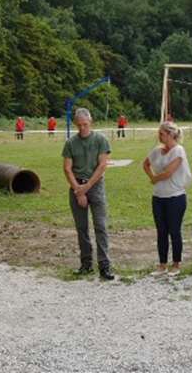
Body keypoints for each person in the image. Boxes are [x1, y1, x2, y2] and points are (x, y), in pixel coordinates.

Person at [62, 107, 113, 280]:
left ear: (90, 122)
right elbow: (67, 169)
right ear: (76, 124)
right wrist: (78, 190)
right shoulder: (70, 143)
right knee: (81, 228)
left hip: (96, 186)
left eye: (85, 124)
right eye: (79, 125)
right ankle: (86, 264)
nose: (83, 128)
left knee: (100, 226)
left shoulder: (101, 140)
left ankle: (104, 266)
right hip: (77, 187)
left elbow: (102, 165)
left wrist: (87, 187)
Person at [144, 121, 192, 275]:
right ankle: (162, 263)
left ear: (171, 135)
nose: (159, 136)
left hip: (175, 196)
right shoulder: (157, 150)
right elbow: (145, 164)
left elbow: (168, 172)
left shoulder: (178, 150)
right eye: (159, 133)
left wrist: (155, 179)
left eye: (162, 134)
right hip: (158, 197)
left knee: (174, 230)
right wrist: (152, 176)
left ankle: (176, 263)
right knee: (161, 231)